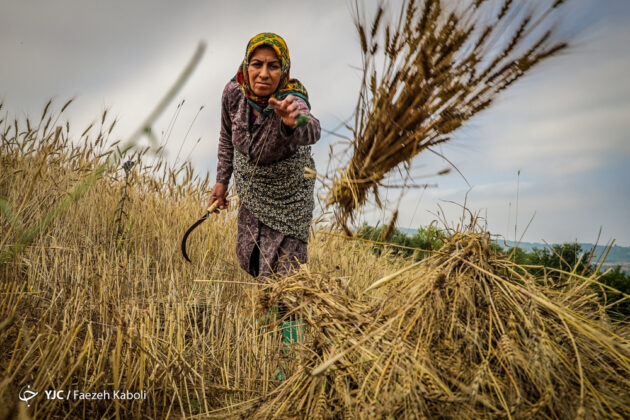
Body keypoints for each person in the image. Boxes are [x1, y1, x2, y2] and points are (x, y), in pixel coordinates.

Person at [208, 32, 321, 282]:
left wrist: (294, 121)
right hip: (253, 194)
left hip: (289, 199)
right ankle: (268, 316)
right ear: (247, 65)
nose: (264, 73)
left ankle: (288, 320)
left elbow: (312, 127)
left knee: (288, 281)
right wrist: (222, 181)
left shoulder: (291, 98)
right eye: (257, 64)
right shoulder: (233, 93)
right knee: (254, 260)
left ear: (284, 70)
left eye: (274, 66)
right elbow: (227, 136)